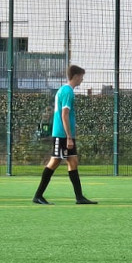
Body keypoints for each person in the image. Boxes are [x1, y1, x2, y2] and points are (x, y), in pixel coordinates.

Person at [33, 65, 96, 205]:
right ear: (76, 76)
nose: (82, 79)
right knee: (54, 162)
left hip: (65, 134)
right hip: (62, 135)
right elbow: (64, 114)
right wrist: (68, 136)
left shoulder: (64, 90)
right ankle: (38, 195)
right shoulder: (67, 91)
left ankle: (79, 197)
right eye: (81, 76)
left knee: (73, 162)